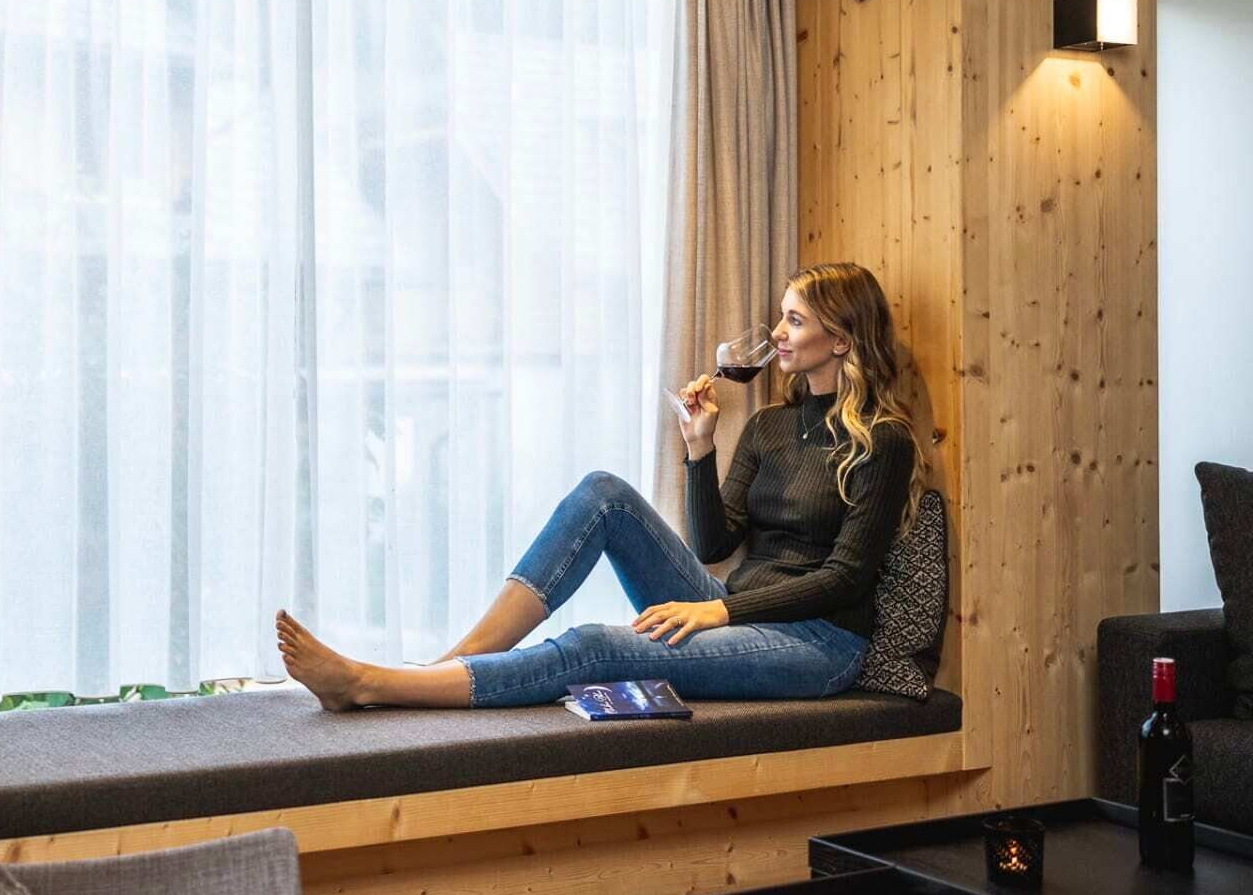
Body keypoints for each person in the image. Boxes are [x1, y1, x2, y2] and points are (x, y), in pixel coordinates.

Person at [275, 261, 923, 711]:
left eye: (796, 321)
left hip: (817, 646)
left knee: (598, 644)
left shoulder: (882, 441)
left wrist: (719, 610)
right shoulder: (770, 426)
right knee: (602, 493)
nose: (777, 333)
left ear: (840, 340)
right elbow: (712, 544)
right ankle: (451, 663)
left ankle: (370, 685)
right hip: (736, 607)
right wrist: (699, 448)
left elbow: (846, 580)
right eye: (781, 317)